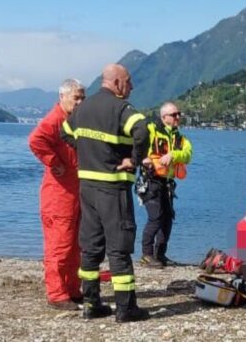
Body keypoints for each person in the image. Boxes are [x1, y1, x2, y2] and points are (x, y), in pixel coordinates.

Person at [61, 64, 150, 323]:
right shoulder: (121, 108)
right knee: (119, 248)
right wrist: (134, 159)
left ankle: (91, 303)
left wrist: (86, 151)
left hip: (87, 188)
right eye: (129, 82)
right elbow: (142, 129)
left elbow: (64, 132)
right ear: (116, 82)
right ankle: (126, 309)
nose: (131, 87)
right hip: (113, 187)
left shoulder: (84, 107)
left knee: (90, 247)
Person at [28, 79, 85, 310]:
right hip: (58, 195)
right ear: (63, 96)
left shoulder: (73, 120)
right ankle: (56, 293)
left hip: (74, 192)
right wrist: (54, 162)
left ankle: (72, 288)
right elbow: (35, 140)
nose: (80, 102)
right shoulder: (54, 119)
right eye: (77, 98)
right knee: (59, 246)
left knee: (74, 245)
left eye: (83, 98)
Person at [138, 102, 193, 268]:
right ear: (163, 118)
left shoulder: (180, 138)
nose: (178, 117)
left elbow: (188, 154)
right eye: (174, 115)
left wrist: (173, 154)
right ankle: (146, 255)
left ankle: (160, 254)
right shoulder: (150, 131)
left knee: (167, 219)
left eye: (179, 114)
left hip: (167, 183)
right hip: (150, 181)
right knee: (155, 217)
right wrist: (141, 158)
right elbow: (135, 145)